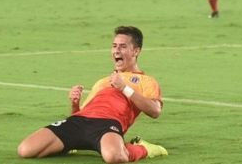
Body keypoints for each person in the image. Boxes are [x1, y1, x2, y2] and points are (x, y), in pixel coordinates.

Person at [17, 26, 168, 163]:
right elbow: (79, 113)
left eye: (123, 46)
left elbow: (155, 111)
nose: (116, 50)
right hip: (80, 121)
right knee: (25, 150)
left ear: (136, 51)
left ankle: (143, 148)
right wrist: (75, 104)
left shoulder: (146, 81)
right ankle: (69, 145)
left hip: (108, 124)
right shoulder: (102, 82)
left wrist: (124, 88)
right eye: (114, 46)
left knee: (116, 157)